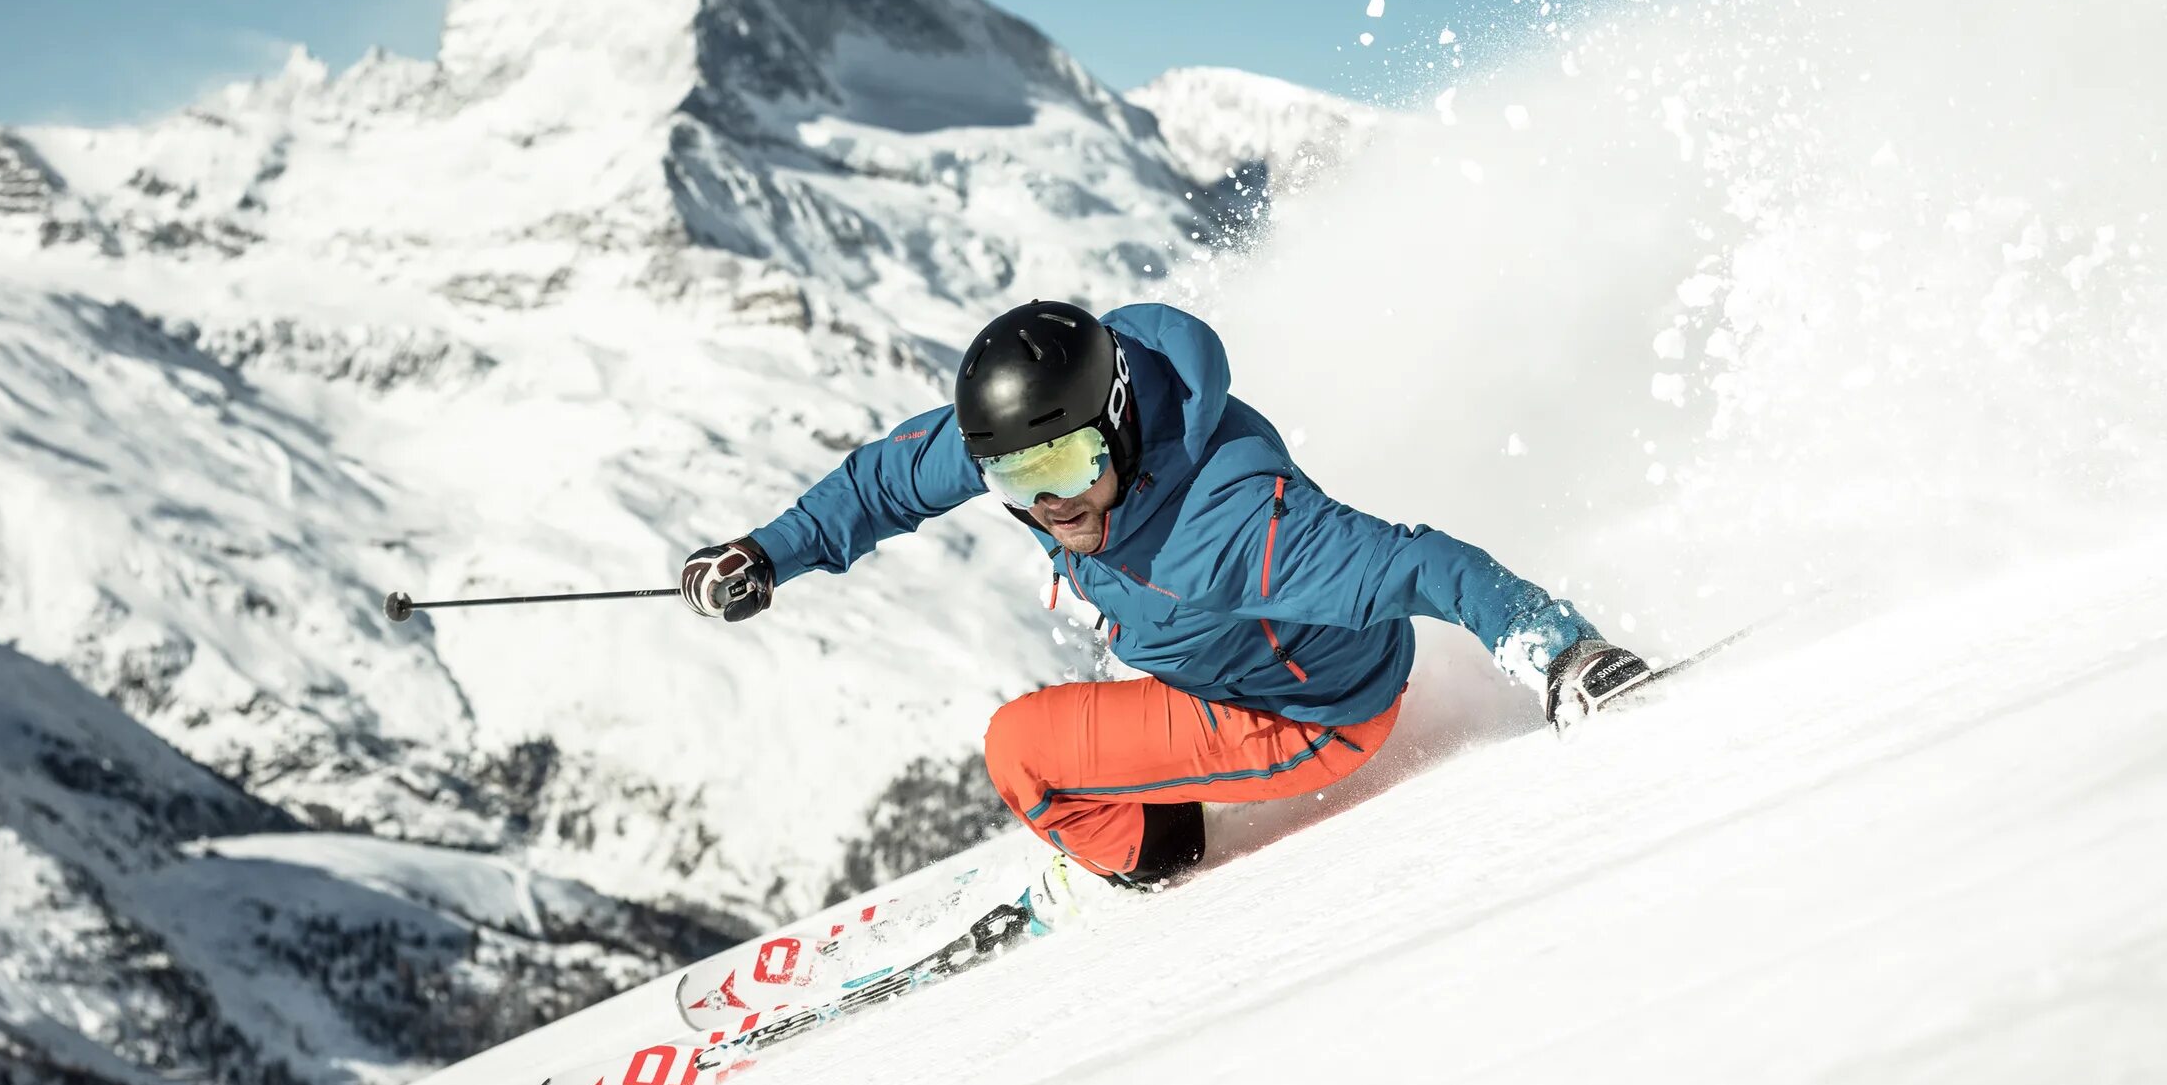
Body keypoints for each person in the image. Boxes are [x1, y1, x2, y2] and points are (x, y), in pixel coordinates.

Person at [680, 300, 1649, 887]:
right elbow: (884, 482)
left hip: (1307, 712)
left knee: (1021, 752)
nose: (1049, 502)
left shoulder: (1232, 524)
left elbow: (1423, 565)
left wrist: (1564, 652)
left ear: (1116, 424)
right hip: (1240, 658)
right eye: (1016, 482)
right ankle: (1163, 783)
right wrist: (767, 553)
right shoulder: (1035, 427)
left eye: (1064, 466)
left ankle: (1159, 856)